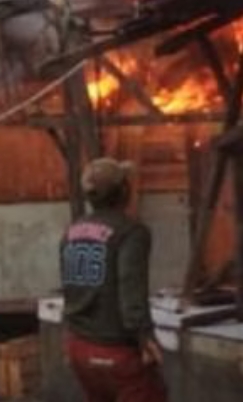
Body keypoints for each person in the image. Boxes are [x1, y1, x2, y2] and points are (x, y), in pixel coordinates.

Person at [60, 157, 167, 402]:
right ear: (123, 191)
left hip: (79, 347)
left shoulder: (70, 232)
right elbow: (130, 287)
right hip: (117, 351)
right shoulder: (131, 232)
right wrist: (144, 336)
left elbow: (70, 289)